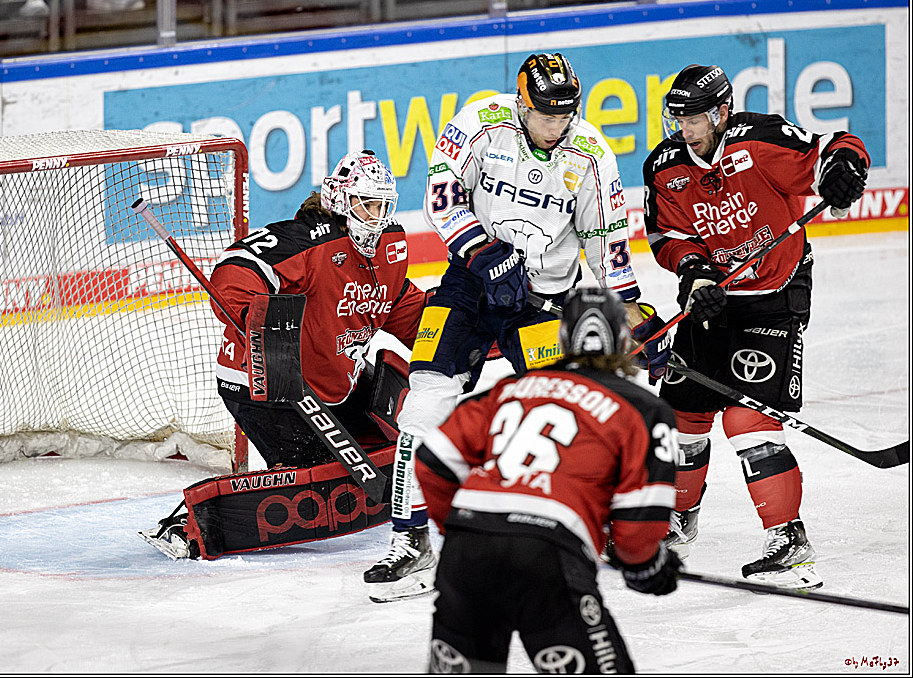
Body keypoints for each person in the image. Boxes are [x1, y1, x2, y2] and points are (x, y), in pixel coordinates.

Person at [363, 52, 672, 601]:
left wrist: (631, 309)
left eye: (565, 115)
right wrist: (483, 254)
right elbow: (441, 194)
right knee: (424, 400)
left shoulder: (592, 154)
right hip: (468, 286)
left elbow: (606, 242)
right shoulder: (481, 120)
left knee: (560, 410)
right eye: (546, 115)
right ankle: (410, 542)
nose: (557, 125)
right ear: (523, 106)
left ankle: (578, 521)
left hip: (542, 302)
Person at [643, 64, 869, 590]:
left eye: (693, 119)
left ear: (721, 112)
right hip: (711, 301)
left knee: (748, 421)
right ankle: (677, 522)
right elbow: (667, 236)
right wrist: (695, 274)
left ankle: (789, 539)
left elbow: (838, 146)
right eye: (678, 119)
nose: (684, 130)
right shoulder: (665, 166)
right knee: (682, 414)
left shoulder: (760, 138)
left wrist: (843, 170)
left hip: (774, 297)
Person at [415, 287, 681, 673]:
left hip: (467, 553)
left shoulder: (509, 389)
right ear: (624, 341)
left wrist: (463, 527)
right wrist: (646, 565)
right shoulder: (644, 409)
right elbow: (638, 523)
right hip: (548, 556)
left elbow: (433, 460)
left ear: (562, 339)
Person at [209, 150, 426, 470]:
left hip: (335, 382)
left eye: (382, 205)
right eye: (367, 204)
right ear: (341, 200)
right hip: (262, 385)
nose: (376, 216)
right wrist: (258, 322)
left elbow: (397, 304)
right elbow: (235, 267)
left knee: (399, 432)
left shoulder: (388, 247)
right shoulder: (308, 240)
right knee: (316, 469)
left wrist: (455, 333)